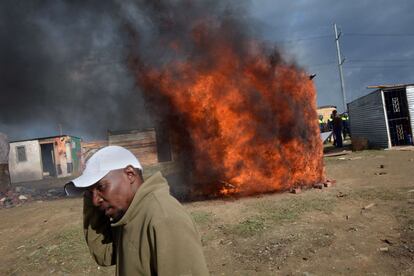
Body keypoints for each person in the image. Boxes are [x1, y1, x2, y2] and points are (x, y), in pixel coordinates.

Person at [64, 146, 209, 276]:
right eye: (90, 192)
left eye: (101, 187)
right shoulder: (129, 214)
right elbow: (104, 254)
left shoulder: (164, 218)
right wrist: (90, 197)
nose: (95, 201)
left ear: (130, 174)